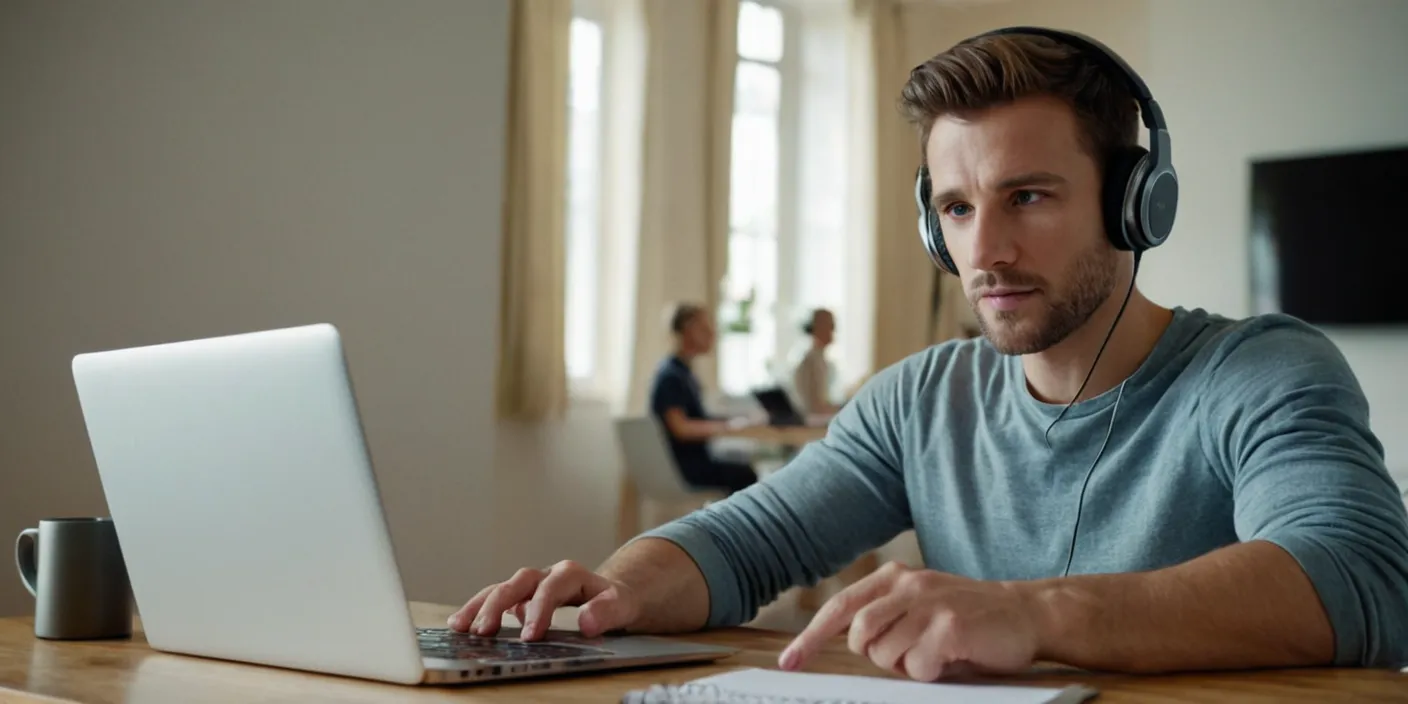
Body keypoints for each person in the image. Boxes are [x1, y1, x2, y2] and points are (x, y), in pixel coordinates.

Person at [447, 28, 1408, 679]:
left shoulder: (1264, 370)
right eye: (956, 207)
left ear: (1136, 206)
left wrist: (1035, 614)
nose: (982, 251)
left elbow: (1362, 576)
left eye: (1027, 196)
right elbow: (749, 541)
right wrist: (618, 587)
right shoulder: (920, 399)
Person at [644, 302, 759, 495]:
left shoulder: (683, 373)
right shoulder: (671, 376)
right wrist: (725, 428)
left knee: (742, 465)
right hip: (684, 468)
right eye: (705, 329)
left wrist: (730, 421)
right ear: (688, 331)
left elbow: (696, 419)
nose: (713, 335)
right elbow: (681, 428)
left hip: (692, 462)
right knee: (745, 474)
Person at [790, 308, 842, 417]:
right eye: (828, 326)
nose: (833, 330)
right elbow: (815, 406)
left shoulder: (824, 362)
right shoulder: (809, 363)